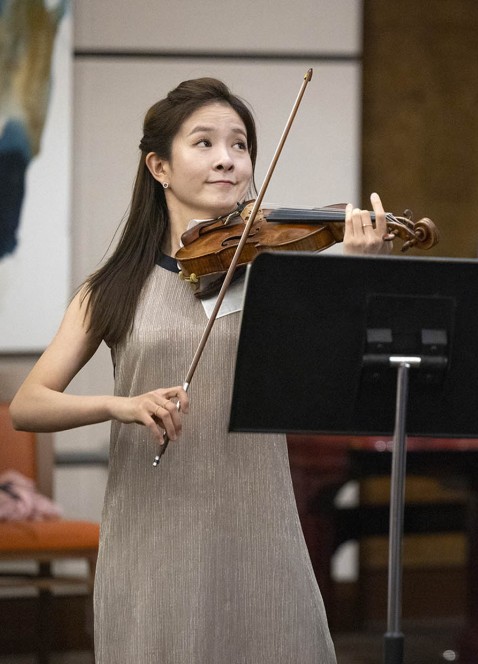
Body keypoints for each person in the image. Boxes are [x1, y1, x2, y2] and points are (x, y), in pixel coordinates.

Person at [10, 77, 391, 663]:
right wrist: (122, 405)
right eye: (205, 143)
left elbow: (329, 377)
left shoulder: (274, 275)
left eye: (240, 146)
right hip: (152, 530)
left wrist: (354, 276)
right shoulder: (112, 289)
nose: (228, 160)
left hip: (257, 526)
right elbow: (28, 404)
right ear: (159, 167)